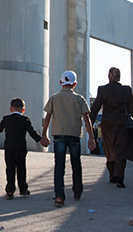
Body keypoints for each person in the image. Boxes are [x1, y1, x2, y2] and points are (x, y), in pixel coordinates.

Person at [40, 70, 96, 207]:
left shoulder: (54, 98)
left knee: (59, 165)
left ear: (61, 83)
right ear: (74, 84)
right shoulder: (79, 99)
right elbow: (86, 118)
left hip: (58, 134)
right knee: (76, 163)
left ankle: (59, 196)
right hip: (74, 135)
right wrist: (91, 137)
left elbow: (47, 117)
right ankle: (77, 191)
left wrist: (44, 134)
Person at [89, 67, 133, 189]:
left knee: (109, 149)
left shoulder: (103, 89)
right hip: (123, 124)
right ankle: (119, 176)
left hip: (107, 125)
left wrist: (89, 123)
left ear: (109, 76)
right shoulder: (126, 90)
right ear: (119, 77)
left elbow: (95, 107)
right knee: (121, 151)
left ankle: (113, 174)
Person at [0, 98, 45, 199]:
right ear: (23, 110)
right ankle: (23, 189)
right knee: (21, 169)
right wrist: (40, 140)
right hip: (20, 148)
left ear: (11, 109)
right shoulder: (25, 120)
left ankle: (10, 191)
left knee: (10, 168)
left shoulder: (6, 119)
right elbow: (32, 132)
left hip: (9, 148)